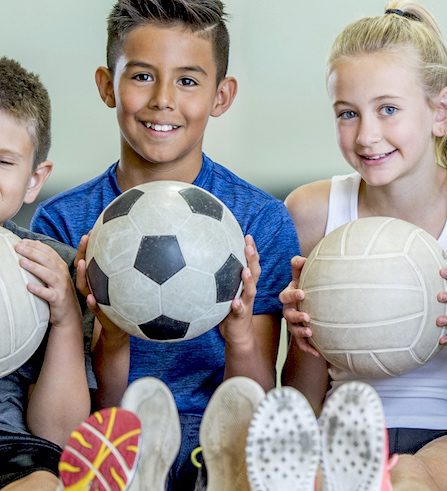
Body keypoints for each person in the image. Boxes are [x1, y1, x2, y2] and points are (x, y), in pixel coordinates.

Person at [29, 0, 299, 488]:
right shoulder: (62, 222)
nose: (163, 100)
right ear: (107, 86)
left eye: (188, 81)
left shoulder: (260, 219)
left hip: (220, 443)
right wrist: (109, 333)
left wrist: (237, 328)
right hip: (109, 435)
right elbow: (75, 409)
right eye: (141, 76)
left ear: (222, 94)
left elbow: (255, 396)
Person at [280, 2, 447, 488]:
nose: (366, 135)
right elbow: (301, 399)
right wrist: (307, 343)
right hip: (346, 431)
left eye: (388, 109)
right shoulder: (312, 212)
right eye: (347, 113)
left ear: (440, 112)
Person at [0, 57, 91, 491]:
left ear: (34, 180)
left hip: (11, 452)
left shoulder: (52, 268)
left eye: (2, 161)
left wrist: (66, 318)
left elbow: (60, 435)